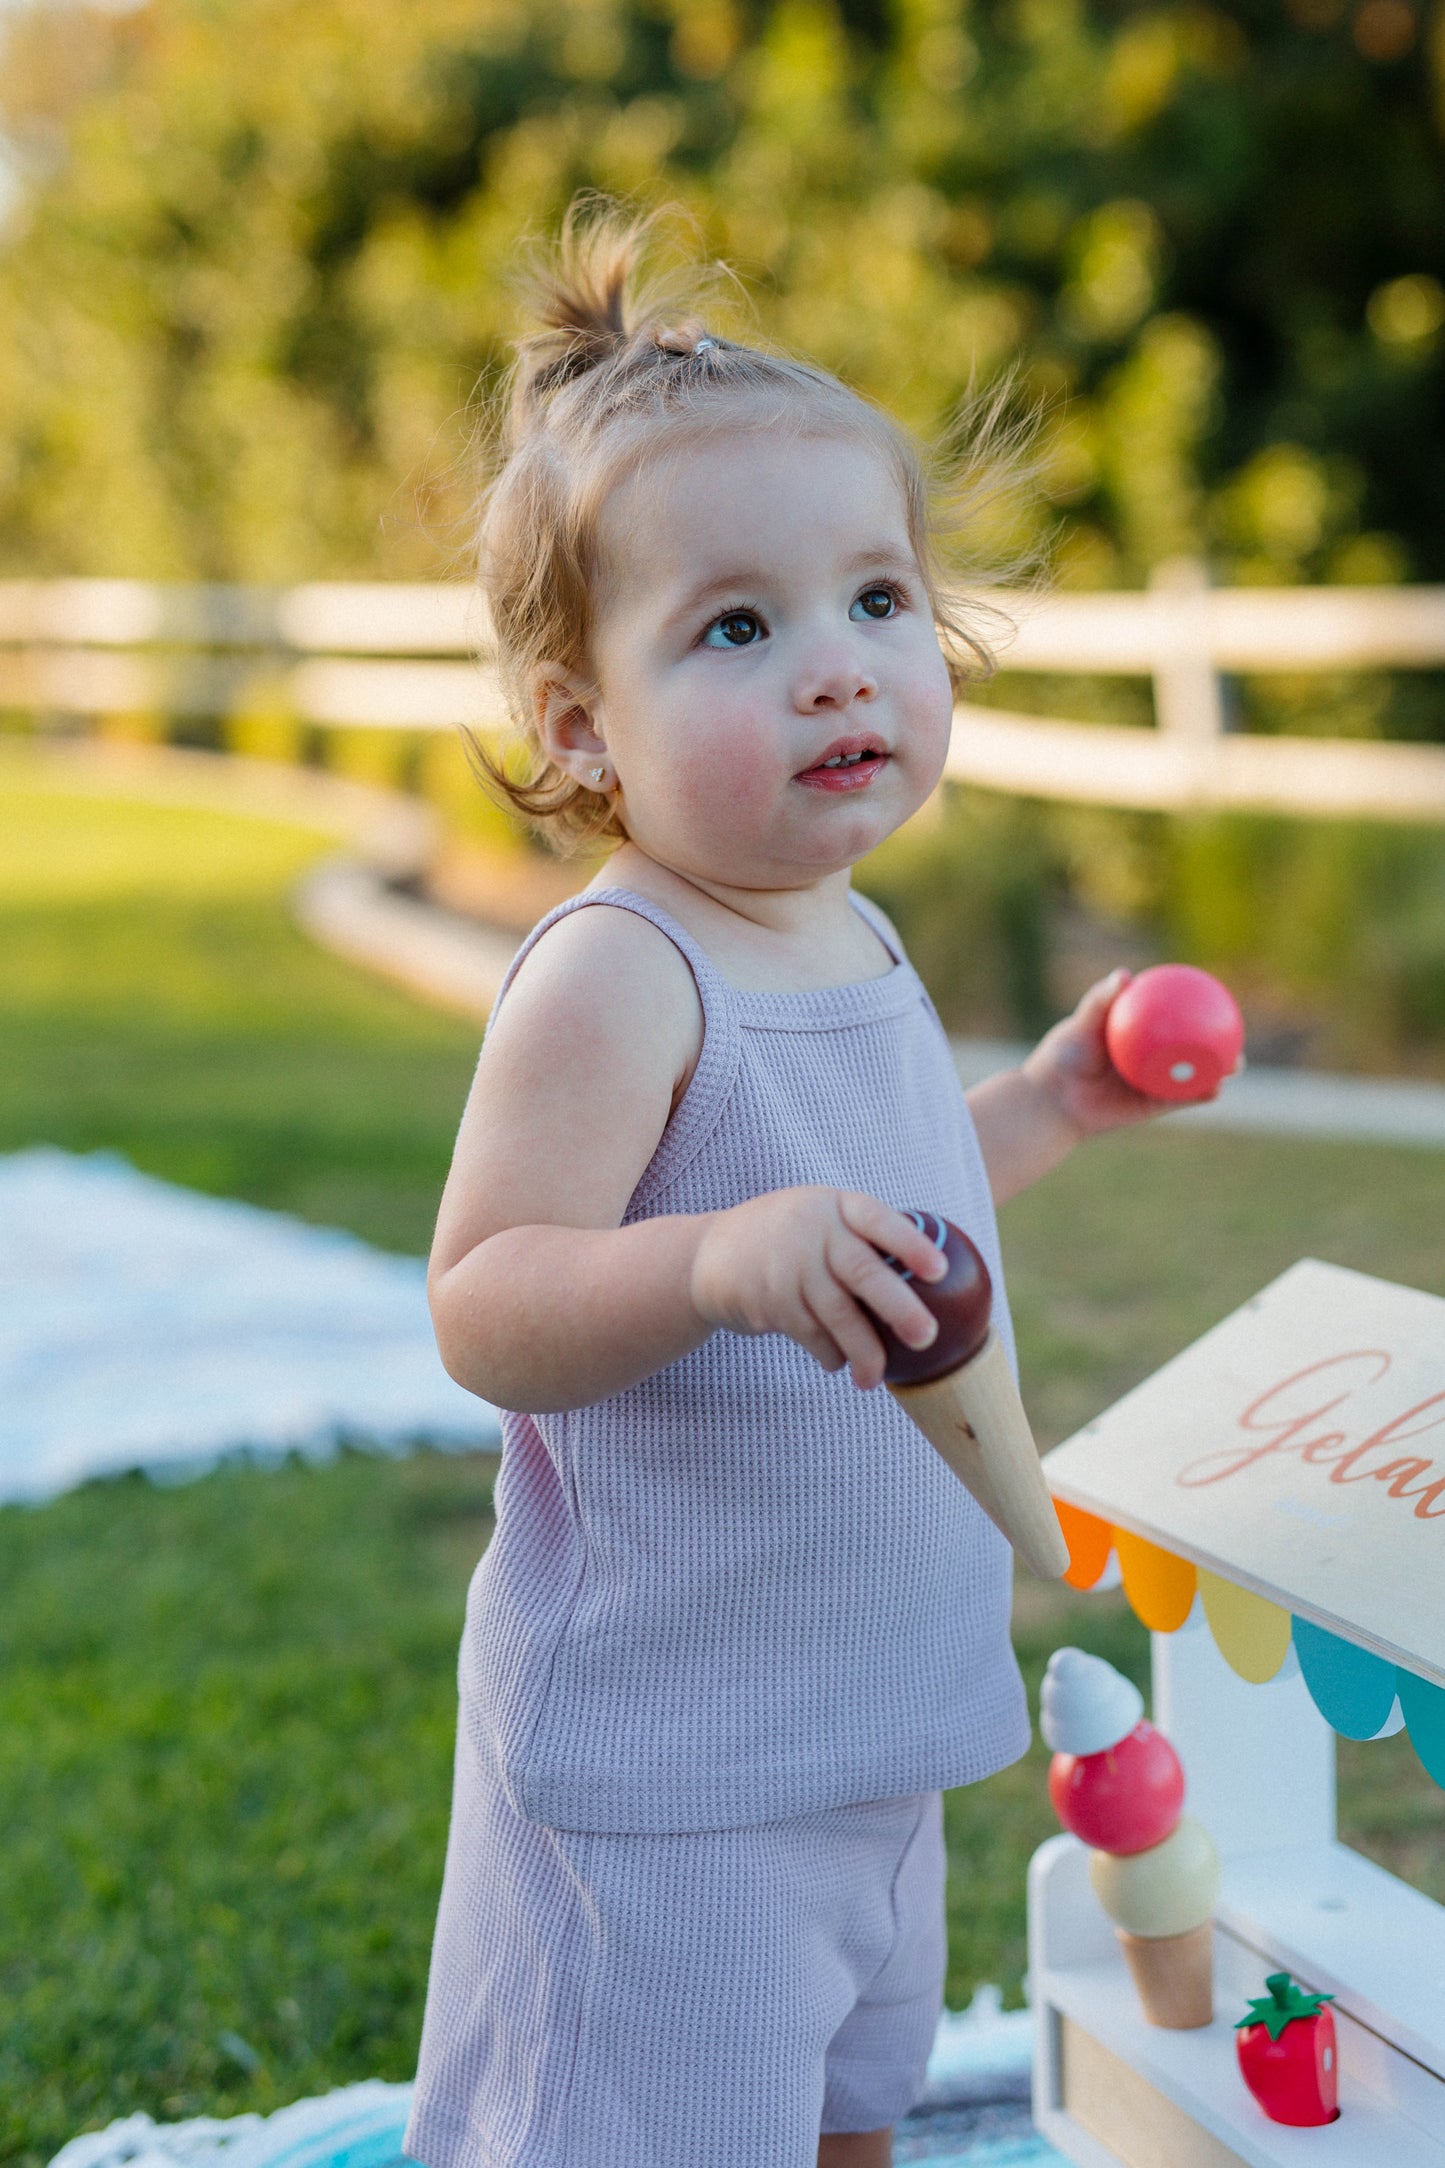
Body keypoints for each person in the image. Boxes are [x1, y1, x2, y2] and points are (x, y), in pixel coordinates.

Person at [404, 202, 1166, 2168]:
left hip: (866, 1719)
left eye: (877, 603)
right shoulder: (618, 969)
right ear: (584, 724)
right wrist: (714, 1261)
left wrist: (1051, 1108)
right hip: (677, 1760)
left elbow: (886, 1211)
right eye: (739, 626)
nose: (836, 670)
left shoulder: (841, 925)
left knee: (850, 2098)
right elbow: (485, 1299)